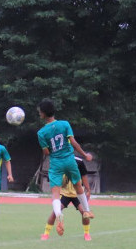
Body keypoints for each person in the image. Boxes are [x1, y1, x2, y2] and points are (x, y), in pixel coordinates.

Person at [37, 99, 94, 233]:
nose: (39, 113)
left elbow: (46, 152)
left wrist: (51, 149)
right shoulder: (64, 124)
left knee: (56, 194)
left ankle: (59, 218)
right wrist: (85, 155)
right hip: (69, 160)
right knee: (78, 186)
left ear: (43, 113)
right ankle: (86, 211)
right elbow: (74, 143)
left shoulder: (41, 133)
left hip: (56, 163)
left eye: (39, 112)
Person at [41, 156, 92, 241]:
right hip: (64, 193)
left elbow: (84, 176)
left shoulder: (79, 162)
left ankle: (87, 234)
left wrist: (88, 190)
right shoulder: (58, 160)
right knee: (55, 212)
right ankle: (46, 233)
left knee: (85, 213)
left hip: (77, 194)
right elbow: (54, 179)